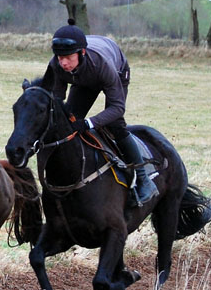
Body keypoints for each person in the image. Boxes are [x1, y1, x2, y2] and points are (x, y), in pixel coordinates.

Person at [40, 18, 158, 206]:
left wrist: (89, 123)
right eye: (60, 58)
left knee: (115, 125)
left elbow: (117, 108)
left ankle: (144, 180)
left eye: (68, 58)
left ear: (82, 52)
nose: (63, 63)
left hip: (115, 70)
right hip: (83, 79)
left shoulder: (102, 65)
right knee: (68, 122)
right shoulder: (56, 65)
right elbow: (57, 101)